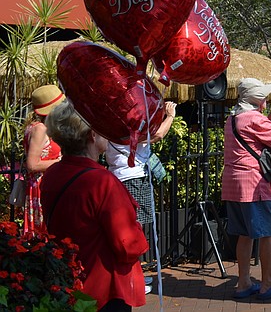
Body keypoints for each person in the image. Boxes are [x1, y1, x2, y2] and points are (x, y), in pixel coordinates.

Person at [40, 99, 148, 311]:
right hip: (103, 288)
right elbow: (127, 245)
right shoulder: (102, 181)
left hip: (68, 281)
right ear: (91, 134)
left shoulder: (52, 174)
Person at [223, 78, 271, 300]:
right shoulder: (254, 119)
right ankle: (267, 284)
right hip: (253, 185)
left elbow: (256, 137)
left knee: (244, 234)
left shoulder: (233, 118)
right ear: (257, 99)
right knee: (268, 233)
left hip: (232, 184)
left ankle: (243, 282)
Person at [104, 100, 176, 293]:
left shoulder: (110, 123)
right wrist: (170, 116)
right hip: (133, 177)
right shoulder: (130, 125)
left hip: (121, 176)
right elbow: (158, 134)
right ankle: (131, 278)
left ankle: (133, 273)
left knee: (131, 227)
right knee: (134, 228)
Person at [21, 84, 64, 236]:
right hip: (41, 185)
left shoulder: (37, 126)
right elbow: (32, 164)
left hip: (45, 183)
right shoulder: (40, 129)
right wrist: (62, 162)